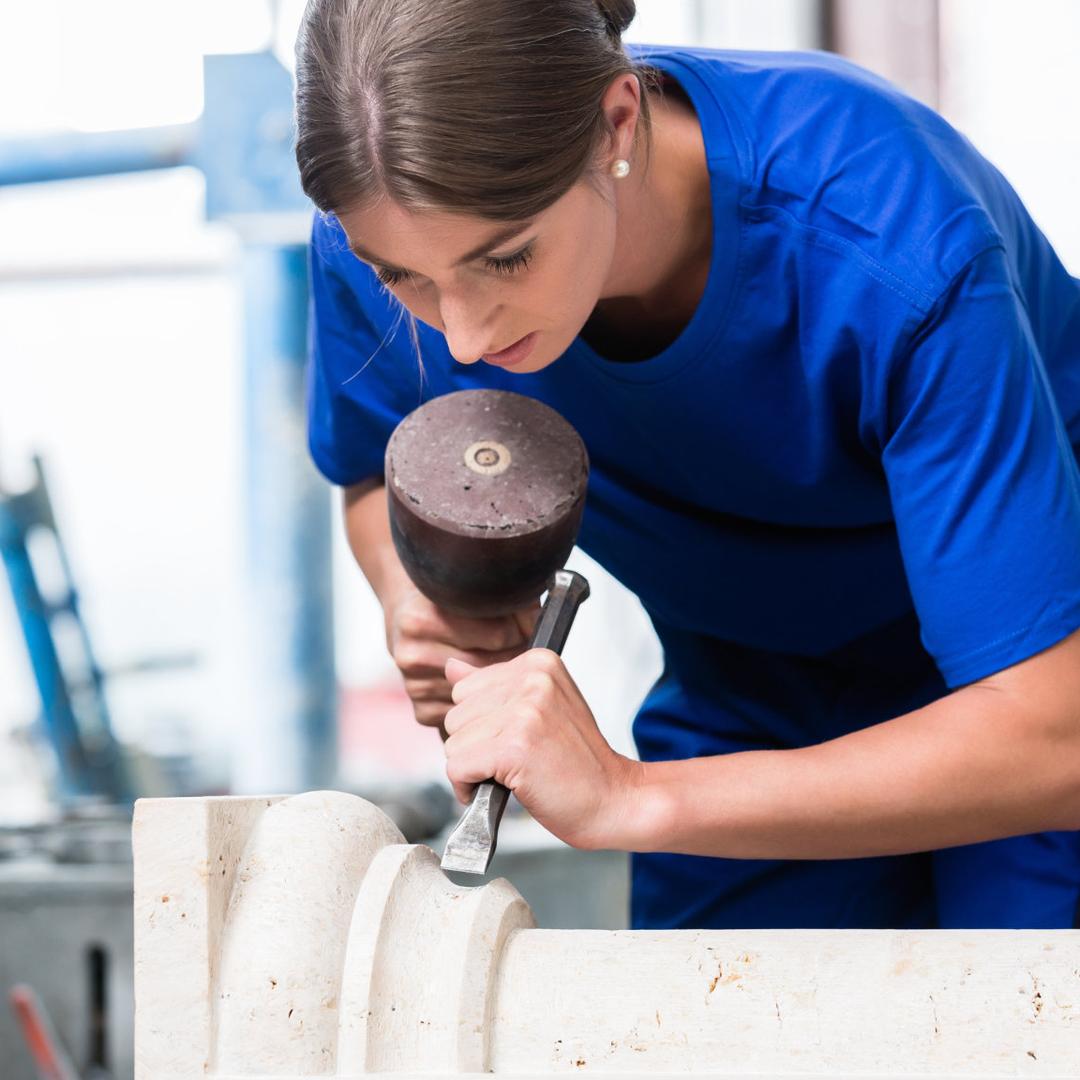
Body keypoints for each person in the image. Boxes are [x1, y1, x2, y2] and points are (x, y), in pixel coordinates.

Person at [294, 0, 1080, 929]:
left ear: (618, 123)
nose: (459, 335)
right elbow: (373, 463)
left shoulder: (886, 235)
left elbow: (1052, 737)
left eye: (505, 260)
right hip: (747, 686)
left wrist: (633, 798)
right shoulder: (376, 232)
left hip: (1032, 685)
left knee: (1013, 1017)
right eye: (405, 279)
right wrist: (414, 598)